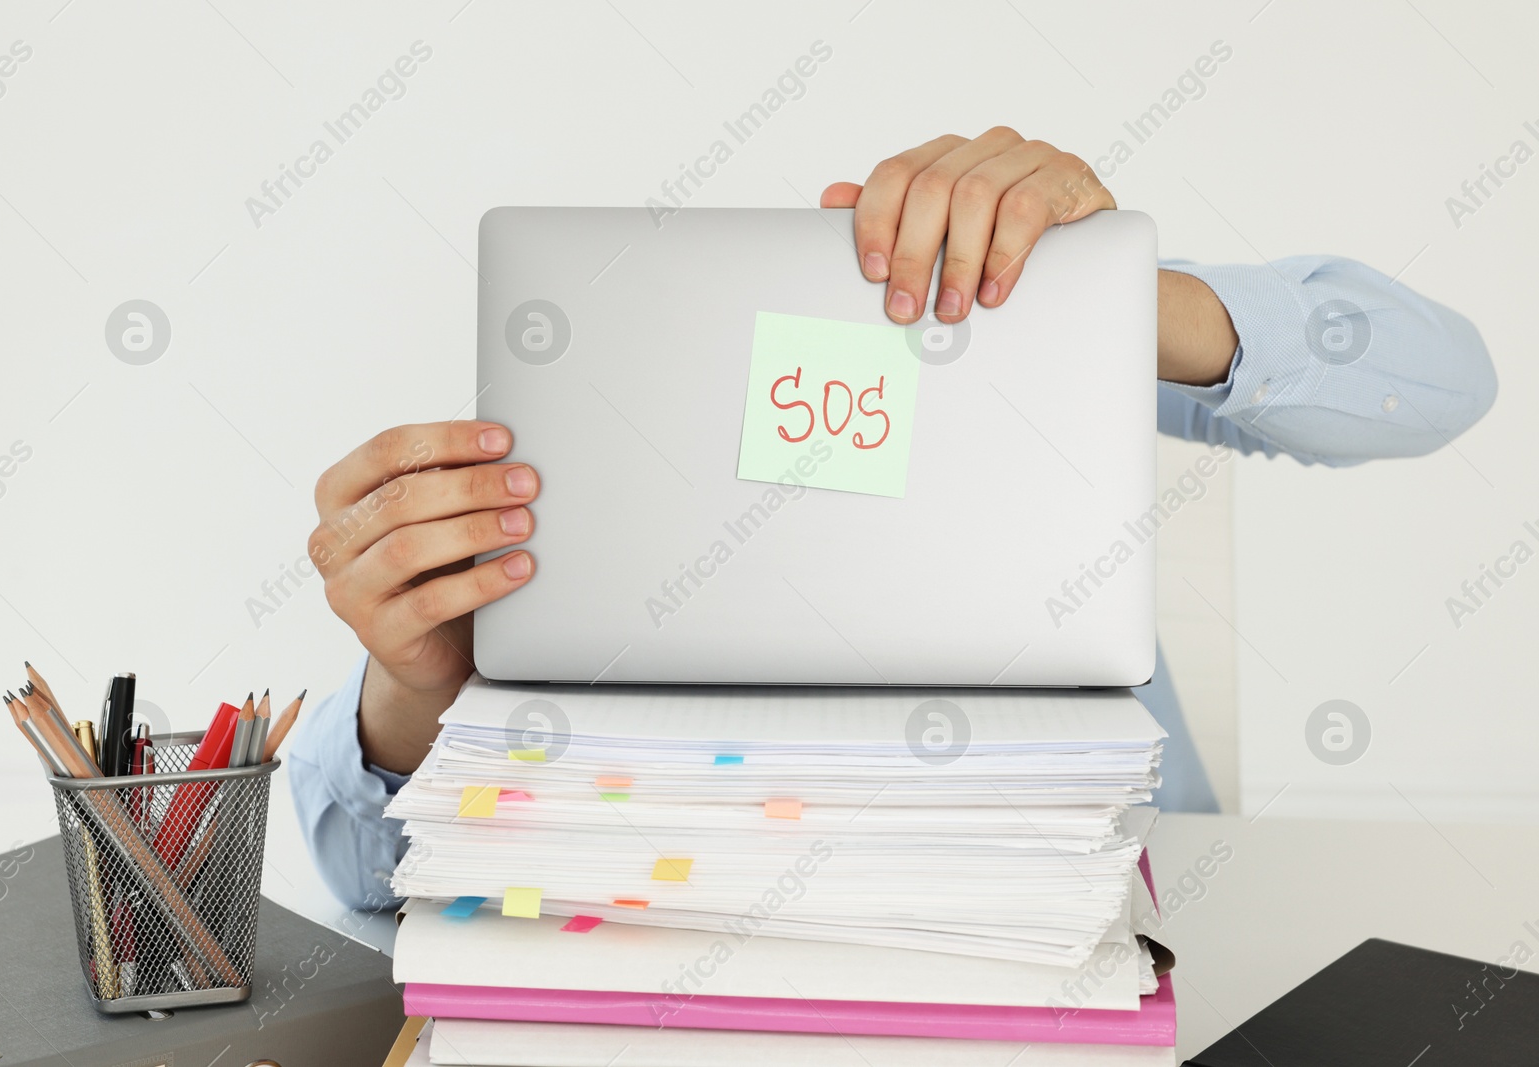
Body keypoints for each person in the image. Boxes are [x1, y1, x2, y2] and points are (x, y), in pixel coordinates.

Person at [289, 128, 1497, 911]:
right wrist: (415, 691)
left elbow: (1447, 382)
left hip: (1080, 923)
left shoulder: (1042, 355)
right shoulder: (565, 516)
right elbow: (364, 878)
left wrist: (1114, 290)